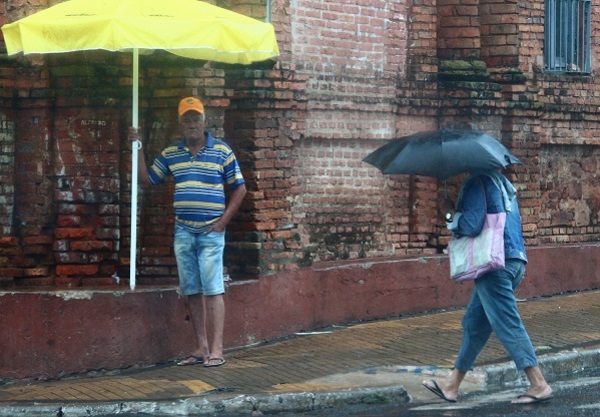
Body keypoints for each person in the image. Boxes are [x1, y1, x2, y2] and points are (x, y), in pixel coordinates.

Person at [129, 97, 247, 367]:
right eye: (187, 120)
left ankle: (217, 350)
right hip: (183, 231)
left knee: (213, 289)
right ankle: (201, 348)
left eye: (196, 119)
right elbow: (147, 180)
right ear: (181, 124)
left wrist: (222, 223)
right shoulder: (173, 152)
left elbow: (240, 188)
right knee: (191, 289)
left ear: (204, 121)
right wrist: (137, 147)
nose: (192, 124)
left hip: (210, 232)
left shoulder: (221, 151)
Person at [422, 170, 553, 404]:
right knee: (475, 324)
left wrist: (450, 215)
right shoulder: (504, 183)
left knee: (507, 322)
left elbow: (471, 225)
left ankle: (538, 383)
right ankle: (451, 386)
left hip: (494, 265)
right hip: (514, 261)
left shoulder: (476, 182)